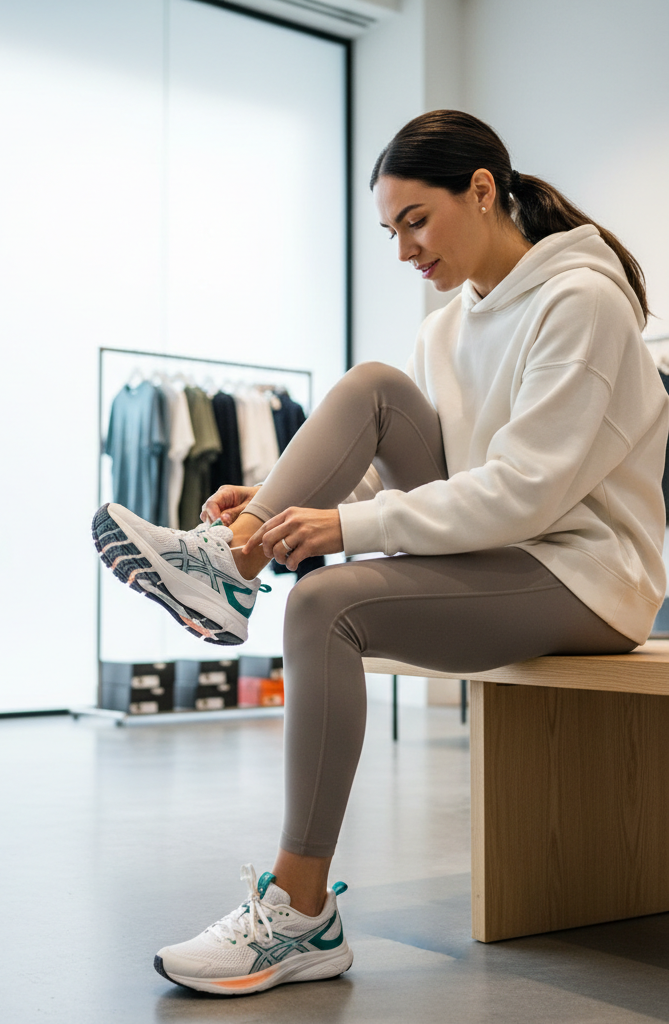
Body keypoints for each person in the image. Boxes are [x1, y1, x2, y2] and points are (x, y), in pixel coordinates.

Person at [91, 110, 669, 997]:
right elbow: (397, 485)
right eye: (390, 230)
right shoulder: (448, 327)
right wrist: (283, 503)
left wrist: (347, 530)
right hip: (503, 555)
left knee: (326, 603)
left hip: (585, 574)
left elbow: (524, 491)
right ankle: (231, 558)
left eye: (416, 221)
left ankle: (299, 913)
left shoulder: (581, 302)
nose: (404, 250)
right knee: (375, 388)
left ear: (483, 190)